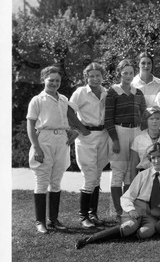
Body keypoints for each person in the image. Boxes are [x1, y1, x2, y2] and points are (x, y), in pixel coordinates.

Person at [27, 66, 90, 233]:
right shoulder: (37, 100)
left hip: (61, 140)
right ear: (43, 80)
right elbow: (31, 124)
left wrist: (73, 132)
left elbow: (69, 120)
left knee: (56, 181)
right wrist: (36, 147)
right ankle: (40, 221)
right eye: (51, 80)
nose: (54, 83)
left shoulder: (63, 99)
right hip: (44, 139)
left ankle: (53, 219)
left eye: (57, 80)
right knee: (42, 180)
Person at [76, 143, 160, 249]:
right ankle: (89, 240)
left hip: (152, 213)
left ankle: (130, 232)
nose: (156, 161)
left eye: (159, 157)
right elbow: (127, 196)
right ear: (149, 160)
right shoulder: (143, 175)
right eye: (153, 158)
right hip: (137, 207)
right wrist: (131, 209)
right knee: (129, 226)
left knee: (145, 232)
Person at [105, 59, 147, 221]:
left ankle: (128, 208)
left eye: (131, 73)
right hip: (119, 131)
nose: (128, 76)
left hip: (135, 132)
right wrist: (115, 140)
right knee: (118, 172)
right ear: (119, 73)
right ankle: (118, 209)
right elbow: (108, 119)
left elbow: (144, 118)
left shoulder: (138, 93)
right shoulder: (113, 92)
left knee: (131, 172)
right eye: (125, 73)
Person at [70, 62, 109, 228]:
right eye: (91, 76)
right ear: (86, 77)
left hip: (103, 135)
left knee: (98, 175)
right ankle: (83, 216)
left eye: (97, 75)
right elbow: (69, 111)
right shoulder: (80, 92)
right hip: (86, 137)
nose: (94, 78)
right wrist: (81, 129)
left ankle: (93, 214)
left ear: (102, 76)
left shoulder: (106, 92)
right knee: (90, 176)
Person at [129, 107, 160, 182]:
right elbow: (134, 164)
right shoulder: (139, 139)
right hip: (144, 177)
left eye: (157, 118)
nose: (154, 121)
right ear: (146, 120)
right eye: (151, 119)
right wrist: (133, 183)